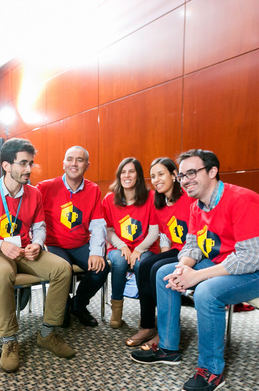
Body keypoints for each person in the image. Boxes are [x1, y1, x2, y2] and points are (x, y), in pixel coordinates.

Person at [131, 149, 259, 391]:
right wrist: (183, 267)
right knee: (165, 272)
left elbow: (252, 258)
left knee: (206, 292)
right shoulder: (198, 206)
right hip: (227, 263)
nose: (186, 180)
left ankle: (211, 370)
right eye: (183, 175)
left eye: (192, 173)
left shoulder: (241, 200)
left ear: (213, 171)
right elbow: (193, 245)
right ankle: (168, 348)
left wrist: (197, 277)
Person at [0, 138, 73, 373]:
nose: (28, 169)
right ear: (6, 166)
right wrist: (0, 245)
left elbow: (41, 227)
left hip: (25, 251)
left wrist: (37, 242)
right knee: (2, 274)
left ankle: (47, 334)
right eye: (23, 163)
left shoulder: (34, 193)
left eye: (30, 163)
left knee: (63, 269)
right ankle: (9, 341)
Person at [126, 158, 195, 348]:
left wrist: (164, 260)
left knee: (157, 268)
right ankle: (148, 325)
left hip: (194, 252)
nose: (156, 180)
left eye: (161, 174)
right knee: (144, 265)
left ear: (174, 175)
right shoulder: (160, 203)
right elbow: (165, 234)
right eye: (153, 176)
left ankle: (165, 331)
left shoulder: (189, 198)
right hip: (176, 250)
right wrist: (163, 255)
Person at [37, 146, 108, 327]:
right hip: (53, 244)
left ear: (87, 165)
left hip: (79, 244)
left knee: (101, 268)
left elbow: (98, 224)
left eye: (79, 160)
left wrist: (96, 252)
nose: (74, 164)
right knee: (63, 269)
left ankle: (78, 304)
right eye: (70, 159)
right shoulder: (45, 187)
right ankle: (64, 304)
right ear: (63, 164)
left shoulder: (93, 189)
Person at [102, 157, 159, 332]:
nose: (127, 175)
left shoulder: (151, 197)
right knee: (119, 262)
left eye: (131, 171)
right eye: (123, 172)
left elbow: (155, 230)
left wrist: (139, 249)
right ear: (119, 176)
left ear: (139, 176)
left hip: (146, 246)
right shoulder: (110, 198)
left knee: (143, 265)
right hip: (119, 246)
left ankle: (146, 312)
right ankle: (116, 310)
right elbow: (109, 230)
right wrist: (123, 247)